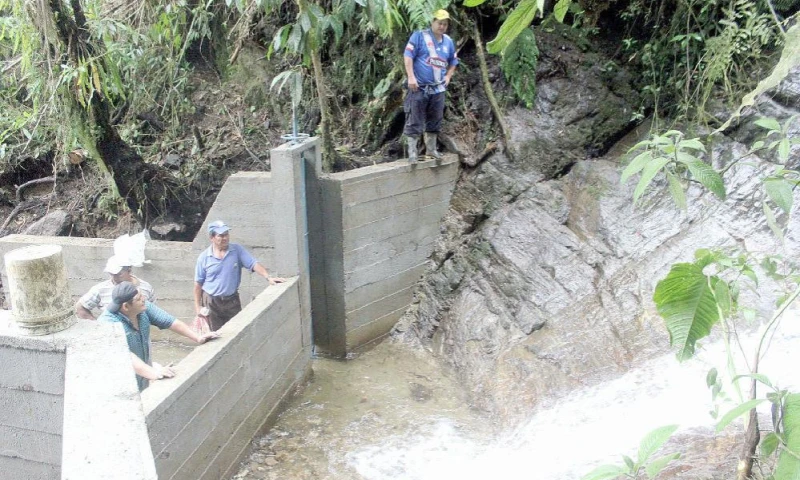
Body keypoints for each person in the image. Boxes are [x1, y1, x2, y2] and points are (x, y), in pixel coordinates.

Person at [98, 282, 219, 391]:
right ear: (126, 306)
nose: (144, 299)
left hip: (141, 377)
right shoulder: (109, 324)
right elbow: (126, 356)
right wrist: (155, 373)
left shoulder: (143, 309)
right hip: (118, 383)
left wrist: (198, 337)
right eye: (139, 298)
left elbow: (170, 321)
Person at [194, 220, 286, 331]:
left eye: (226, 234)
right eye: (221, 235)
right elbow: (198, 284)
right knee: (215, 333)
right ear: (212, 238)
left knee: (236, 330)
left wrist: (268, 277)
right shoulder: (204, 258)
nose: (225, 238)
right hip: (211, 301)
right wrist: (198, 307)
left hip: (231, 300)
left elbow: (253, 263)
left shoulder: (236, 250)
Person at [403, 9, 459, 163]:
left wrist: (448, 76)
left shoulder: (448, 41)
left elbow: (453, 61)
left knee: (435, 119)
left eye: (445, 24)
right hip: (418, 87)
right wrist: (411, 77)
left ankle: (432, 150)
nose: (442, 26)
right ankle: (412, 152)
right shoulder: (419, 36)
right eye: (439, 23)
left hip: (438, 89)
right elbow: (408, 56)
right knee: (414, 118)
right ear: (432, 22)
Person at [75, 254, 156, 319]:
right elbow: (80, 307)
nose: (115, 278)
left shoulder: (146, 288)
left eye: (119, 274)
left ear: (129, 269)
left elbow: (154, 313)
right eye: (111, 274)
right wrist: (98, 327)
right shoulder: (100, 289)